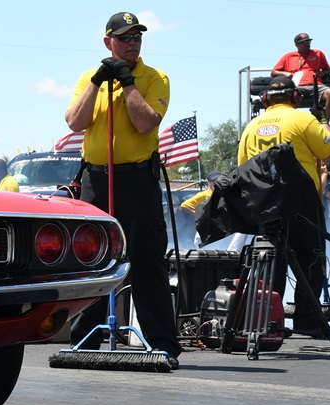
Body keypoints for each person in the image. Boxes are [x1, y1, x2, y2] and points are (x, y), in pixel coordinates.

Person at [64, 11, 182, 367]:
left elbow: (146, 123)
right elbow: (74, 121)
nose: (133, 44)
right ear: (108, 42)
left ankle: (162, 343)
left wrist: (128, 83)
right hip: (96, 181)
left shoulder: (154, 78)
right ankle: (86, 340)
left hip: (136, 181)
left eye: (137, 38)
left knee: (146, 261)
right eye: (125, 38)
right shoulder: (89, 78)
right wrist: (99, 82)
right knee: (91, 260)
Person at [237, 75, 330, 337]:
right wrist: (323, 119)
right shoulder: (304, 119)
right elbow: (328, 152)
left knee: (271, 262)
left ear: (265, 99)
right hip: (301, 205)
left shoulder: (251, 126)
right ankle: (307, 321)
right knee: (311, 260)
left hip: (266, 206)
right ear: (296, 98)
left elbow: (243, 168)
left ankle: (270, 323)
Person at [272, 33, 330, 118]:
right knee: (285, 96)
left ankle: (324, 123)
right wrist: (285, 73)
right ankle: (289, 123)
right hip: (297, 87)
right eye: (304, 42)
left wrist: (323, 73)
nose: (307, 44)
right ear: (297, 45)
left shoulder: (318, 53)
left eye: (308, 42)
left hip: (316, 86)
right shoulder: (288, 56)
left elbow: (328, 70)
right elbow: (273, 72)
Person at [181, 173, 220, 248]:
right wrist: (200, 216)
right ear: (209, 182)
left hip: (219, 227)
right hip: (205, 228)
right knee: (200, 246)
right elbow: (184, 205)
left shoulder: (223, 193)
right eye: (214, 181)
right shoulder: (204, 195)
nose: (217, 182)